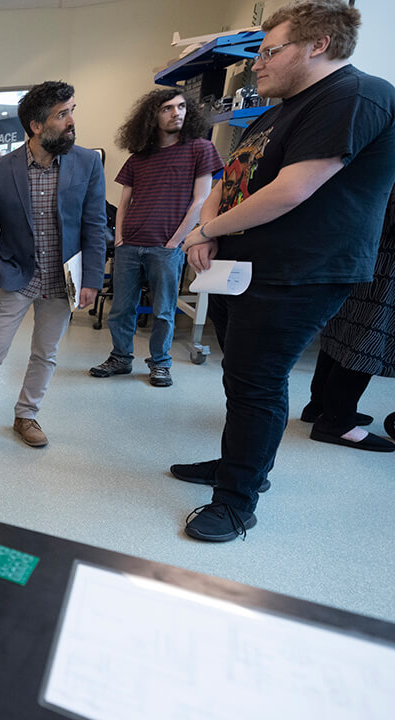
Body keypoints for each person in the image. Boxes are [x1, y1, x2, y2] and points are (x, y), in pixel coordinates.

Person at [172, 1, 395, 542]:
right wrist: (211, 225)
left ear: (317, 45)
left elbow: (292, 190)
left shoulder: (356, 95)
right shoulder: (279, 111)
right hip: (243, 266)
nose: (257, 65)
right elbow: (228, 179)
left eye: (269, 52)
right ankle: (238, 466)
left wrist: (204, 233)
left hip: (300, 270)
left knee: (257, 382)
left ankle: (236, 502)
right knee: (241, 377)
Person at [0, 81, 107, 452]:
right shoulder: (2, 170)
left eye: (71, 111)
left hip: (63, 280)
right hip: (16, 278)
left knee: (45, 354)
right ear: (36, 125)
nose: (70, 121)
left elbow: (95, 225)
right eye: (62, 114)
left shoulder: (86, 163)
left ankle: (26, 415)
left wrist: (92, 279)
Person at [89, 88, 223, 388]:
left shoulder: (200, 149)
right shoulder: (139, 158)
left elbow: (200, 200)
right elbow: (124, 203)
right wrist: (121, 237)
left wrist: (176, 241)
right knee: (122, 308)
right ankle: (120, 358)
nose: (176, 112)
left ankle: (160, 364)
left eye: (181, 107)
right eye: (167, 108)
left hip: (166, 246)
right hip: (130, 245)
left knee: (164, 310)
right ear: (152, 116)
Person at [301, 183, 395, 452]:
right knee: (368, 336)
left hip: (365, 250)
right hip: (386, 261)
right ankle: (336, 421)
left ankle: (319, 405)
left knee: (344, 328)